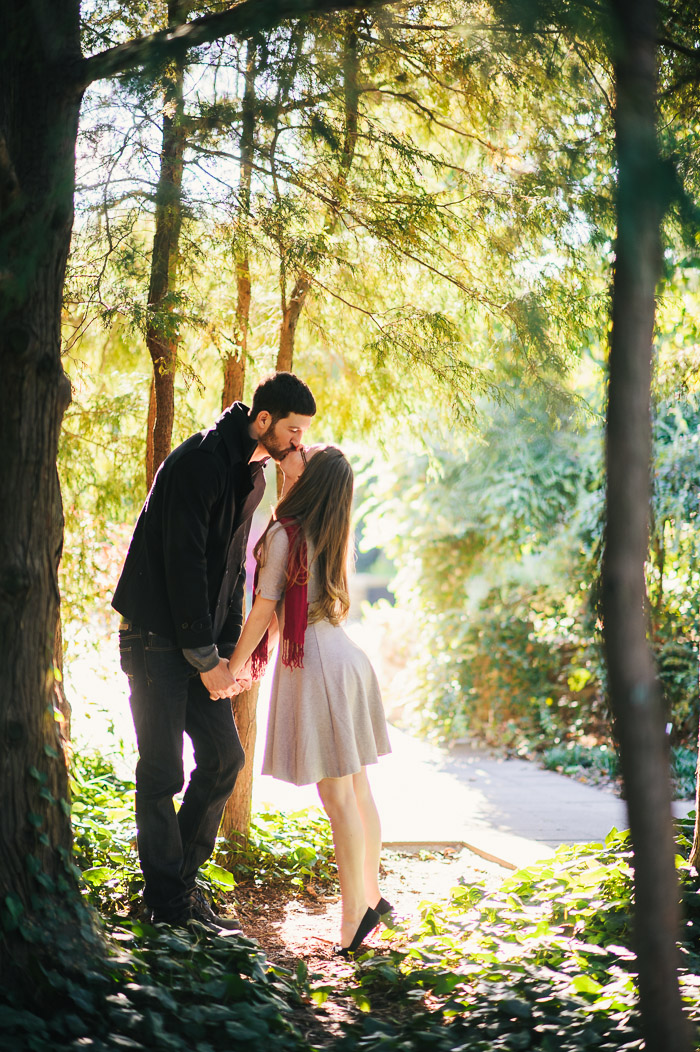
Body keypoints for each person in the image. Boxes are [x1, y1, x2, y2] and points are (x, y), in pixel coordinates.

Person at [112, 372, 316, 930]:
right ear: (264, 419)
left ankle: (173, 887)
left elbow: (231, 571)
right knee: (161, 772)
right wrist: (209, 660)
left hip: (199, 643)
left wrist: (227, 658)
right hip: (155, 636)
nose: (299, 442)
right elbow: (183, 564)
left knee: (225, 759)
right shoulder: (202, 460)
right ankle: (169, 905)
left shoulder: (253, 474)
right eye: (294, 430)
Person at [226, 444, 393, 957]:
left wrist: (230, 672)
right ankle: (372, 898)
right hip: (345, 659)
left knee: (338, 799)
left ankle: (354, 920)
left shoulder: (286, 533)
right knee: (357, 793)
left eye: (304, 451)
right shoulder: (330, 532)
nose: (294, 449)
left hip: (320, 665)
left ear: (312, 477)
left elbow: (263, 613)